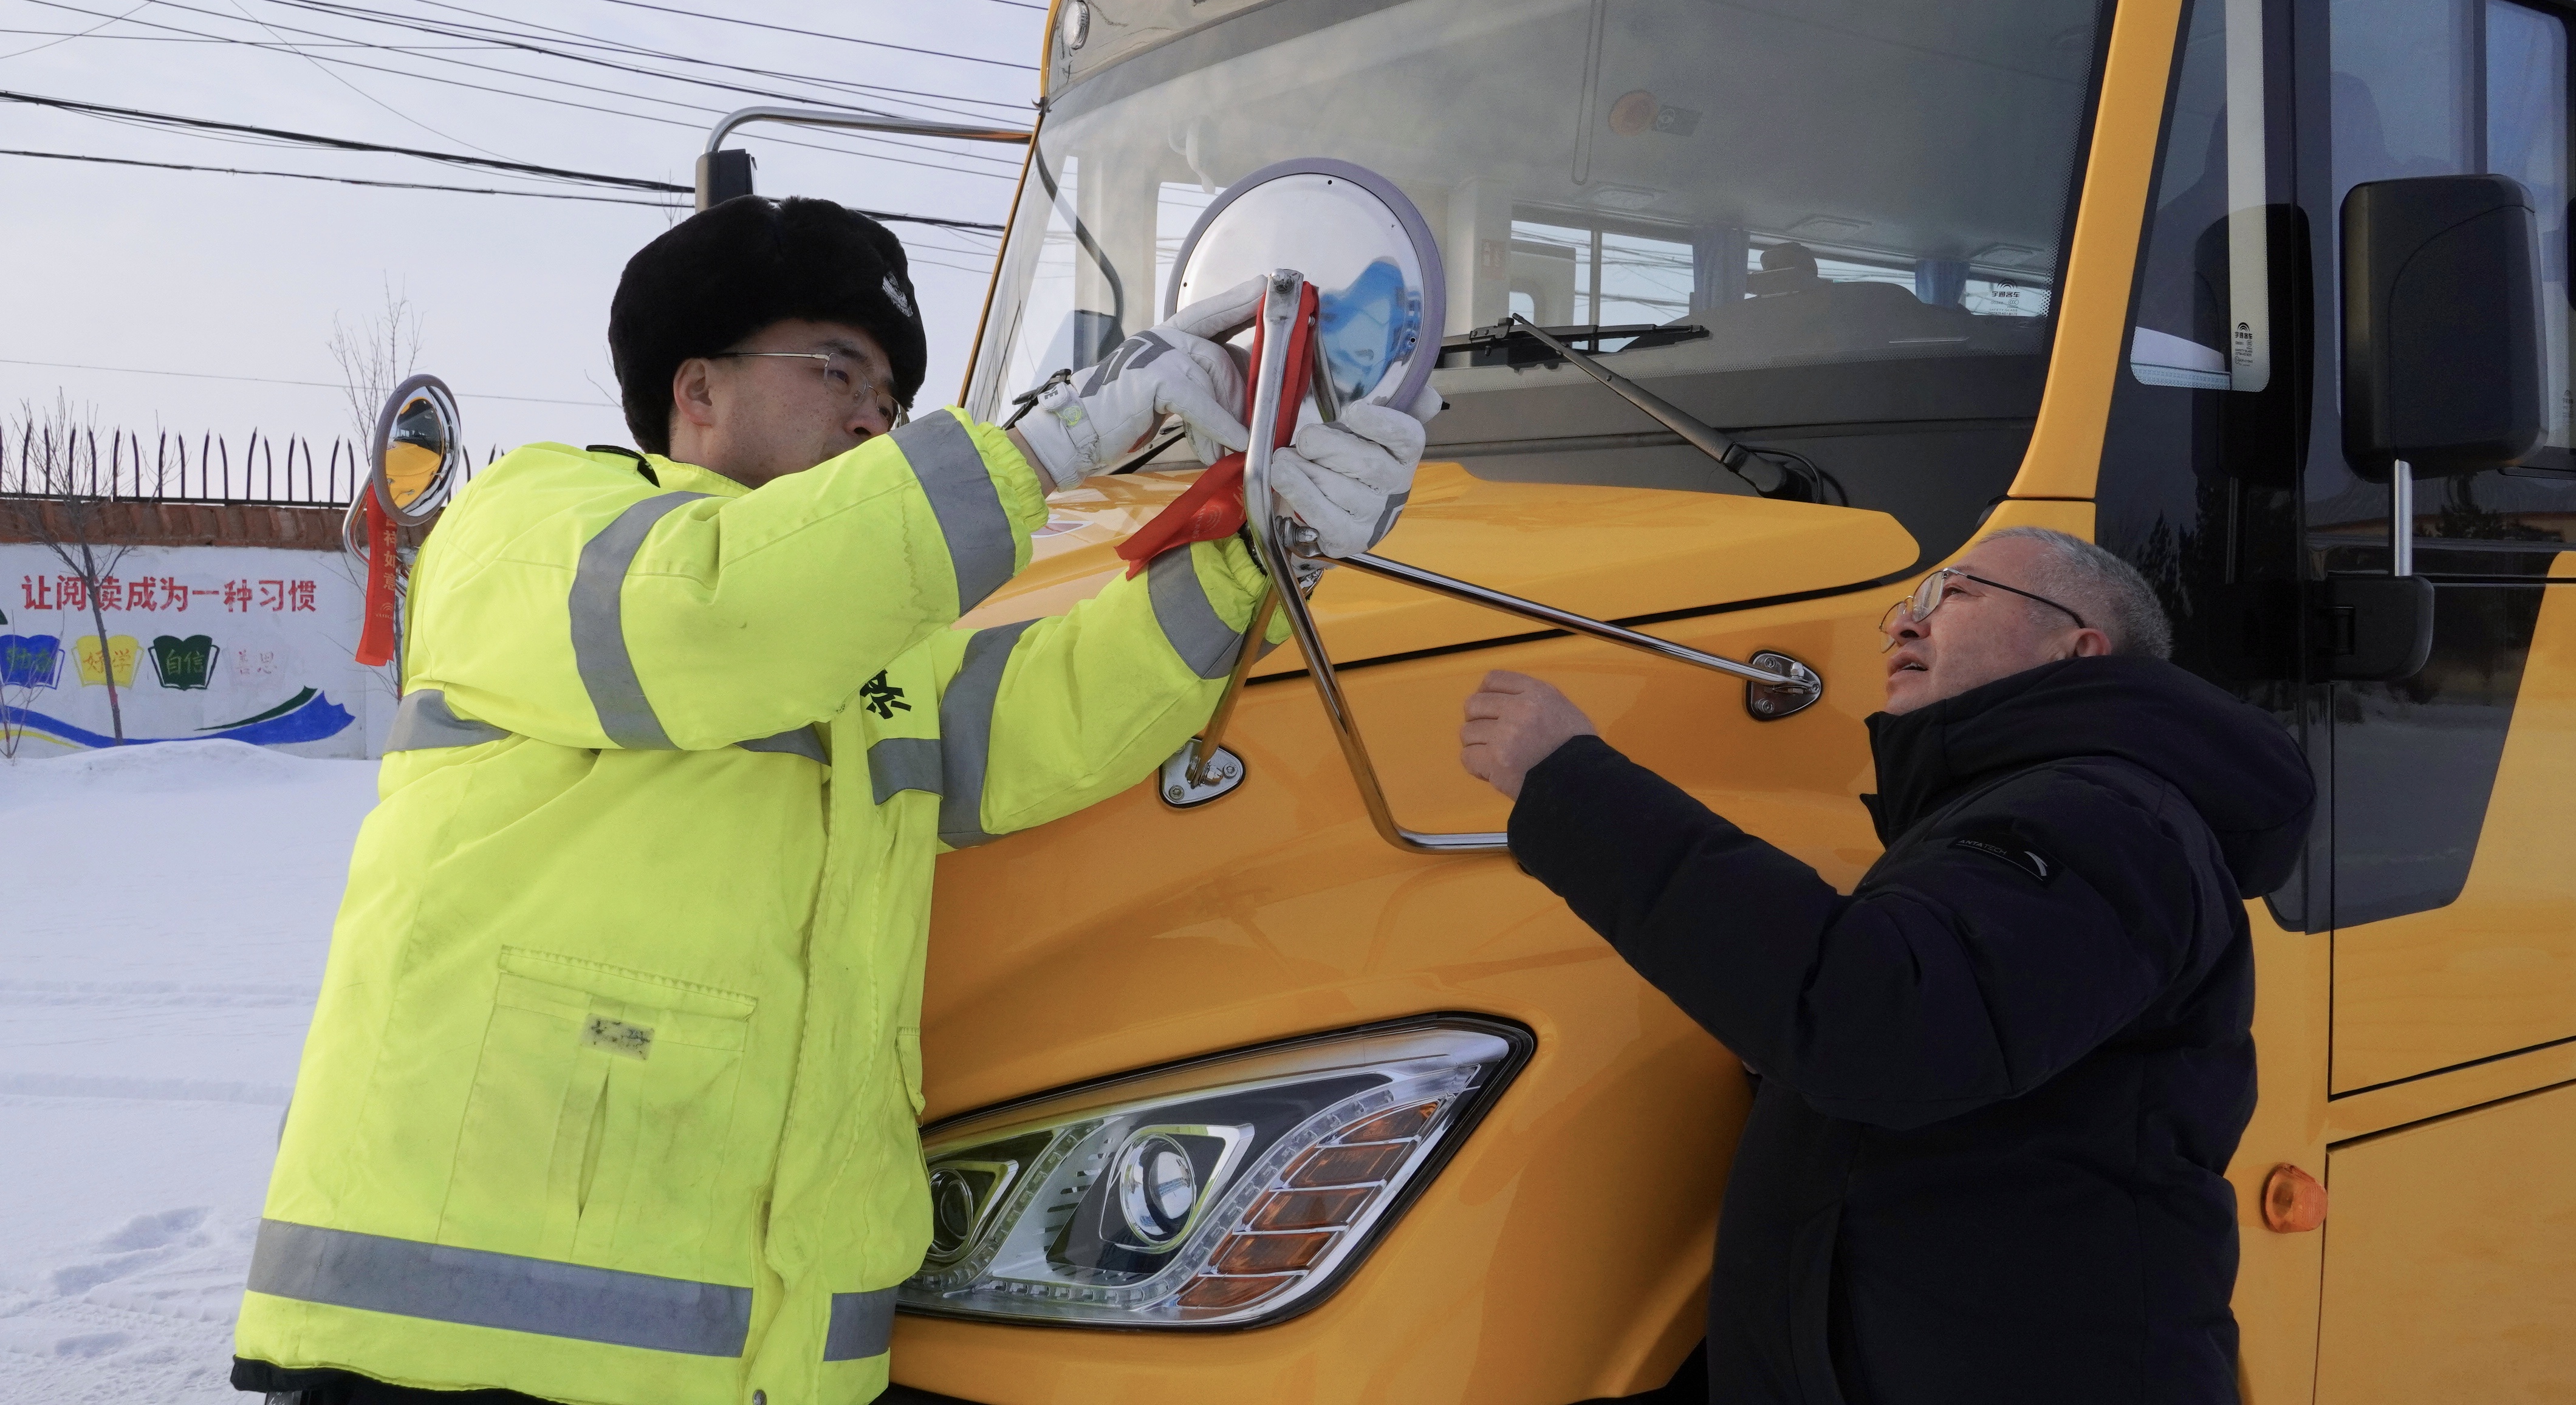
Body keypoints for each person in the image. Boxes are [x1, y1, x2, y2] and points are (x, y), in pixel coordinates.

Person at [231, 196, 1436, 1405]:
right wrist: (1052, 438)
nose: (874, 409)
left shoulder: (868, 639)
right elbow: (709, 615)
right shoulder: (536, 524)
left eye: (890, 395)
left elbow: (1036, 725)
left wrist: (1253, 555)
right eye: (837, 367)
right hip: (451, 1357)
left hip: (767, 1368)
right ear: (694, 391)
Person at [1458, 527, 2315, 1404]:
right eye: (1906, 606)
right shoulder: (2021, 810)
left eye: (1957, 596)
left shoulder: (2106, 819)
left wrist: (1573, 792)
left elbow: (1888, 1025)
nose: (1906, 624)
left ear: (2078, 647)